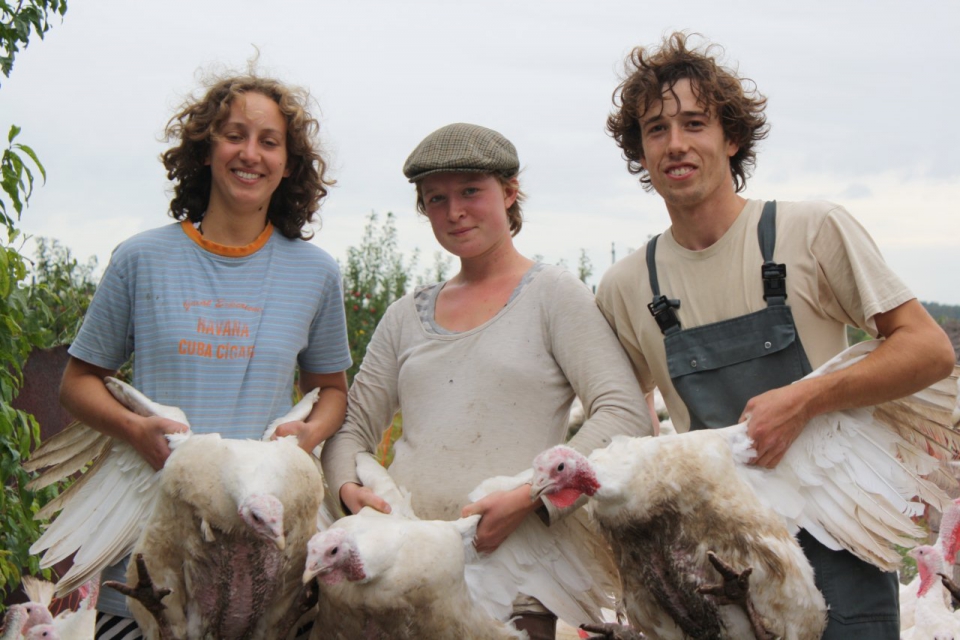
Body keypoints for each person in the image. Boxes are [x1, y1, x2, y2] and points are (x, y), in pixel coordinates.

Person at [595, 32, 956, 639]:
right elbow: (627, 419)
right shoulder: (626, 285)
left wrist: (804, 399)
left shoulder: (811, 231)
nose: (676, 143)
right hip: (720, 568)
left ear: (731, 138)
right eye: (656, 129)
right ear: (640, 150)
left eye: (694, 123)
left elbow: (929, 350)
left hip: (838, 539)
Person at [321, 122, 651, 639]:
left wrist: (531, 497)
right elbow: (350, 426)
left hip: (514, 577)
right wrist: (347, 489)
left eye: (471, 191)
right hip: (406, 571)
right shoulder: (405, 315)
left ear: (510, 191)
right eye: (436, 198)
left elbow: (624, 414)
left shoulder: (553, 294)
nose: (454, 211)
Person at [60, 72, 352, 638]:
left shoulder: (315, 273)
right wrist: (135, 430)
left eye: (269, 141)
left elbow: (333, 391)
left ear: (288, 164)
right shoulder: (141, 258)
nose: (250, 154)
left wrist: (307, 438)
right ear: (205, 149)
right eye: (234, 135)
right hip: (154, 540)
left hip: (264, 552)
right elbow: (77, 382)